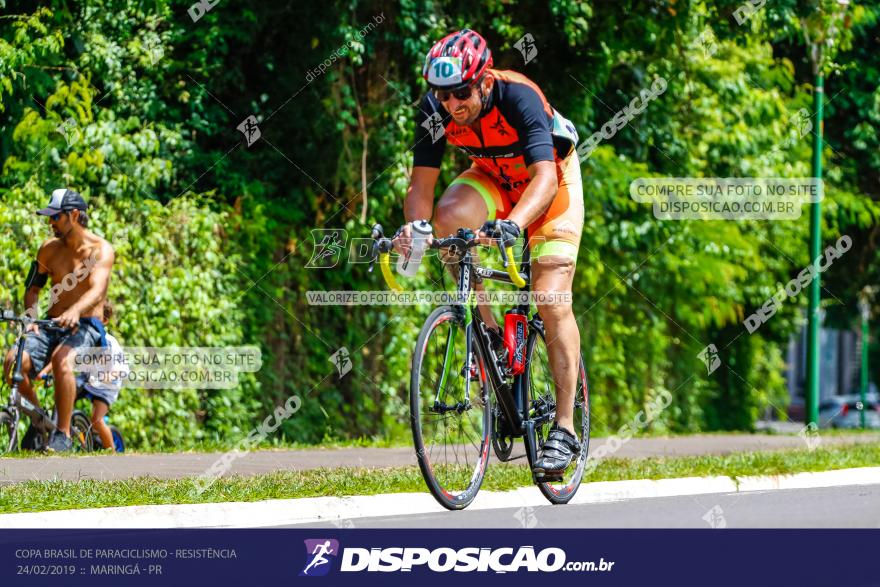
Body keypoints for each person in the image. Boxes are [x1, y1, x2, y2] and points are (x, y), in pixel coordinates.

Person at [393, 29, 584, 477]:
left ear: (482, 81)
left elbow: (544, 178)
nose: (451, 105)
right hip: (493, 177)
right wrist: (415, 229)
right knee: (446, 221)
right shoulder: (436, 111)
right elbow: (421, 187)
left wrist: (514, 226)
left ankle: (565, 427)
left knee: (550, 296)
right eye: (441, 94)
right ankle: (490, 331)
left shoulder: (520, 97)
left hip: (550, 183)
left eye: (461, 93)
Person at [2, 188, 115, 452]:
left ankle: (63, 433)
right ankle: (39, 419)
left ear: (74, 215)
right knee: (12, 362)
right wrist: (30, 318)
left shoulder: (101, 250)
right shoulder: (47, 250)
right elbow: (32, 290)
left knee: (61, 360)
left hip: (86, 324)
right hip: (50, 324)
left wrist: (75, 310)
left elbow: (98, 290)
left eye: (55, 217)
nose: (50, 222)